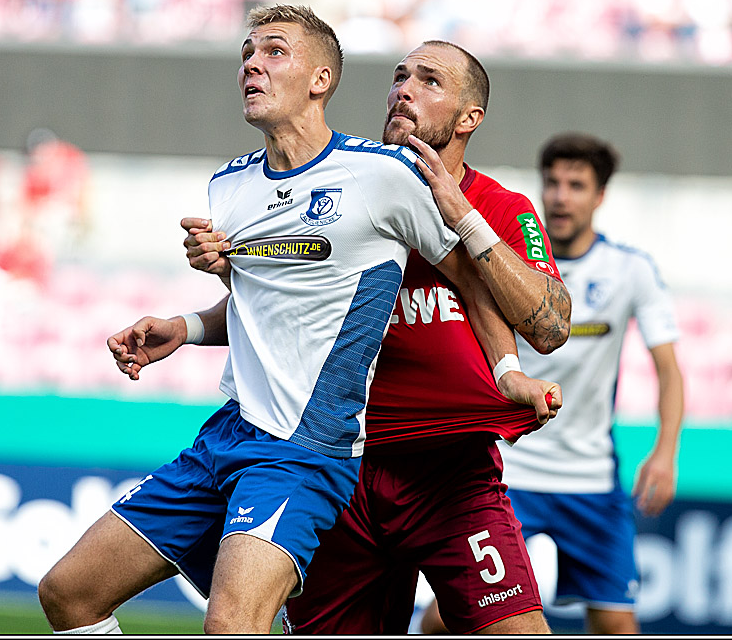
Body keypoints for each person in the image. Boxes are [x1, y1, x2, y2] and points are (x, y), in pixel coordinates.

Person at [37, 4, 554, 635]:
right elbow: (282, 300)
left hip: (371, 458)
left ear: (321, 79)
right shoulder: (230, 186)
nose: (251, 64)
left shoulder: (403, 183)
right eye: (398, 76)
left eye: (273, 52)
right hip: (252, 439)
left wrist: (507, 373)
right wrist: (190, 324)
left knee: (237, 624)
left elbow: (493, 293)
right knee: (67, 593)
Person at [180, 40, 573, 634]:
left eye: (429, 81)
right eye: (399, 76)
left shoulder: (503, 206)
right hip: (338, 468)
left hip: (450, 473)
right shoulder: (342, 192)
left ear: (470, 118)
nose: (404, 89)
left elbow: (550, 326)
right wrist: (187, 326)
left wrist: (461, 214)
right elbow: (272, 315)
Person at [422, 132, 686, 635]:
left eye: (576, 185)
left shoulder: (631, 271)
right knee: (450, 614)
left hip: (590, 478)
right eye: (552, 183)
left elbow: (669, 369)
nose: (561, 196)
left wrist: (666, 450)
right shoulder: (505, 264)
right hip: (511, 469)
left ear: (600, 196)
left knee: (616, 625)